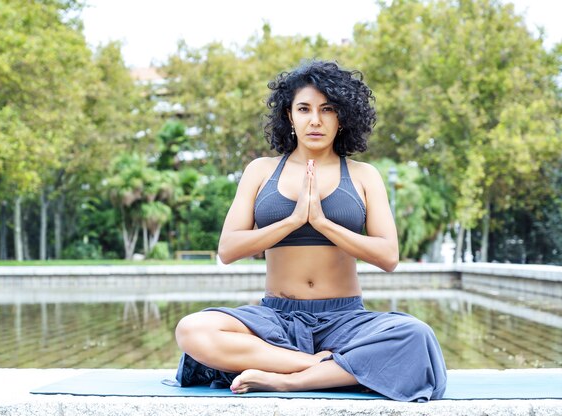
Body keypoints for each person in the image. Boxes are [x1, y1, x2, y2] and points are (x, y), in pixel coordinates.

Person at [174, 60, 447, 402]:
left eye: (327, 109)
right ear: (290, 115)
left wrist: (322, 223)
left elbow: (388, 256)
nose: (315, 120)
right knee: (193, 329)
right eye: (304, 109)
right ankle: (315, 366)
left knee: (414, 334)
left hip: (346, 320)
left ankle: (286, 379)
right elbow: (228, 250)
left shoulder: (364, 175)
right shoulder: (261, 171)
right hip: (276, 320)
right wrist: (292, 220)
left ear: (342, 117)